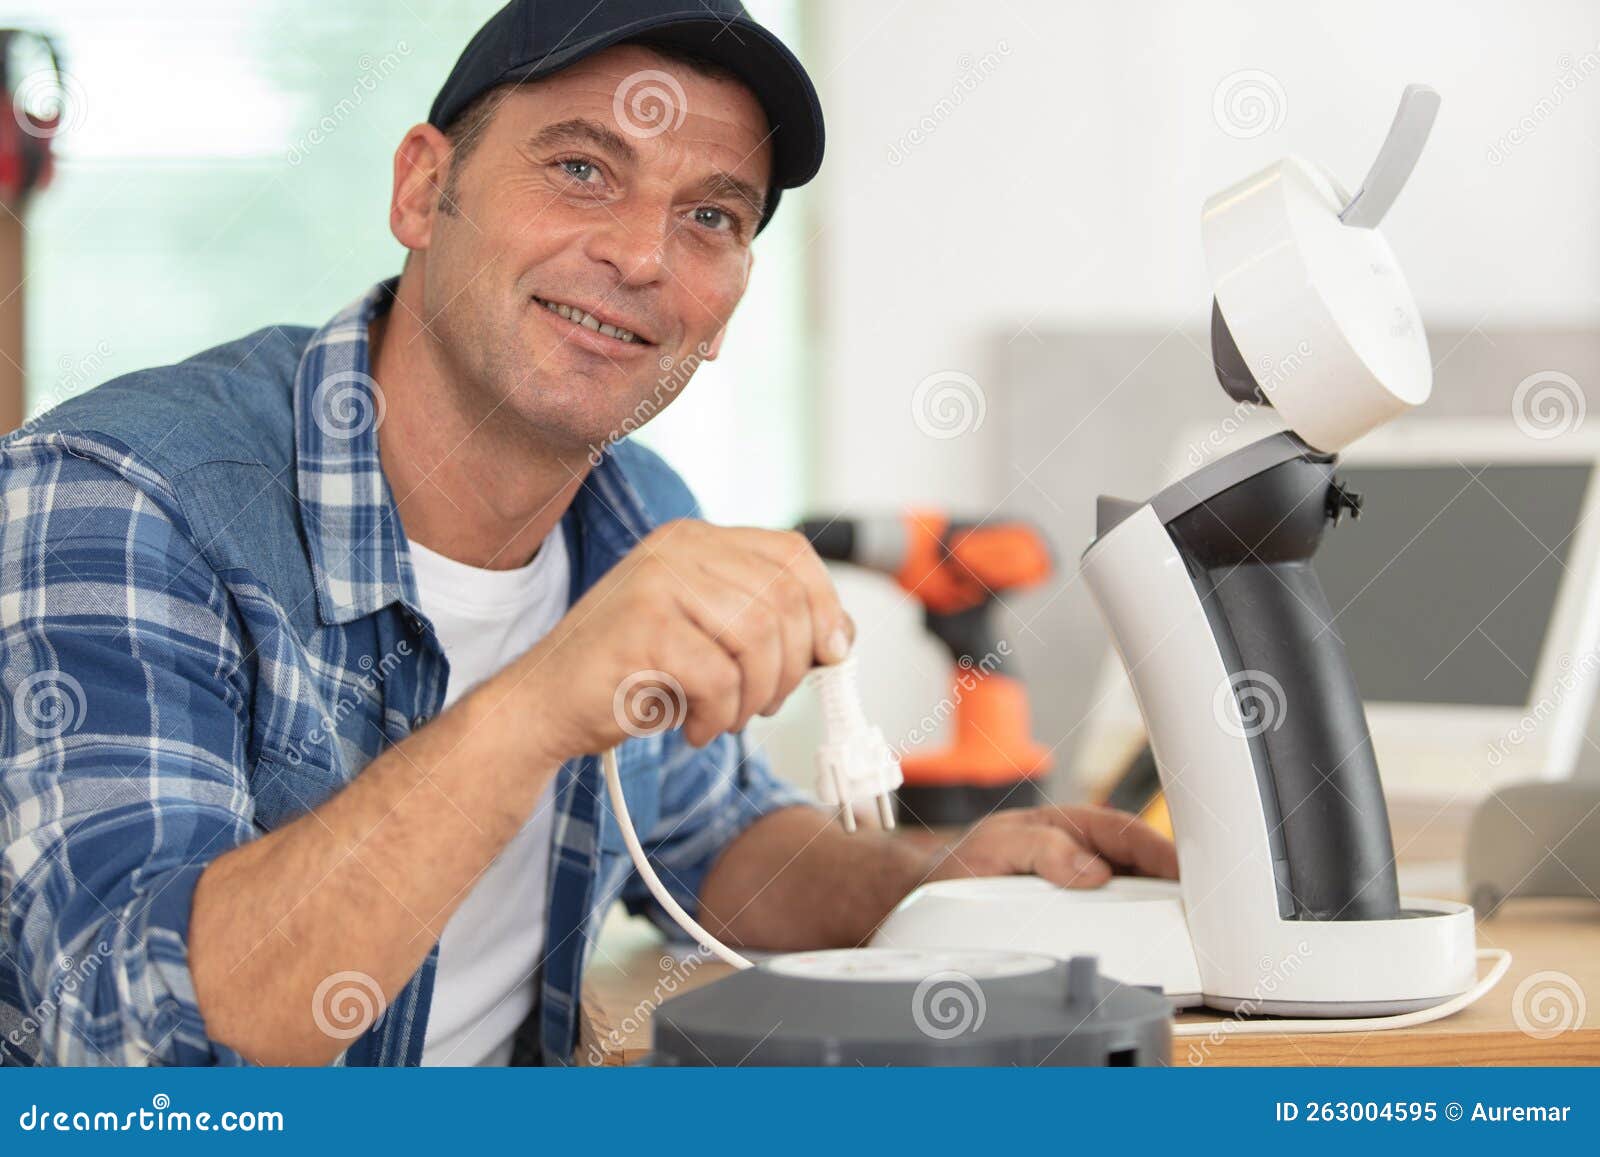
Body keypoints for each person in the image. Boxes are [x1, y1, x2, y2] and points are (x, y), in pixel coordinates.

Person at [0, 0, 1176, 1067]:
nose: (641, 256)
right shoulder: (121, 497)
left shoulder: (637, 510)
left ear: (731, 302)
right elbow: (123, 1044)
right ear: (421, 188)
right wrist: (539, 700)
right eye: (579, 168)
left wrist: (933, 884)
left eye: (709, 215)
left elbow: (712, 837)